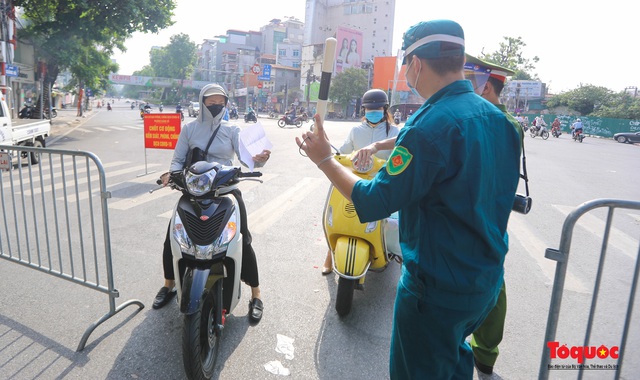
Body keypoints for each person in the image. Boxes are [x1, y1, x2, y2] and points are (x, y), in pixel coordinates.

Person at [296, 20, 520, 379]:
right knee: (452, 359)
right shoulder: (502, 121)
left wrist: (323, 159)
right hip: (485, 281)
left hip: (437, 292)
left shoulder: (428, 126)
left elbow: (374, 201)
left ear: (416, 64)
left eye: (405, 65)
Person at [154, 84, 271, 325]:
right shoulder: (189, 129)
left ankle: (256, 293)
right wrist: (173, 175)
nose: (216, 105)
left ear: (226, 103)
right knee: (171, 238)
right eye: (211, 101)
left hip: (225, 192)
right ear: (202, 103)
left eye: (221, 101)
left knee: (243, 239)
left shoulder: (232, 130)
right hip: (193, 192)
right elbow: (177, 160)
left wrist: (259, 160)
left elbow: (247, 159)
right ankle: (169, 284)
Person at [463, 53, 523, 376]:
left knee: (483, 280)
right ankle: (485, 352)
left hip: (475, 213)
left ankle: (477, 348)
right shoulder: (511, 124)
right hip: (494, 217)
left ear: (486, 86)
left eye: (472, 79)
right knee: (493, 277)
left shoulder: (487, 120)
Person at [321, 89, 400, 275]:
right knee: (337, 215)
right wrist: (330, 152)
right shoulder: (356, 131)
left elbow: (398, 159)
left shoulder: (395, 132)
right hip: (354, 179)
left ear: (384, 109)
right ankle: (329, 254)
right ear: (363, 110)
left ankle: (392, 251)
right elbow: (343, 152)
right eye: (368, 109)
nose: (372, 112)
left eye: (377, 108)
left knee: (393, 220)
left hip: (381, 182)